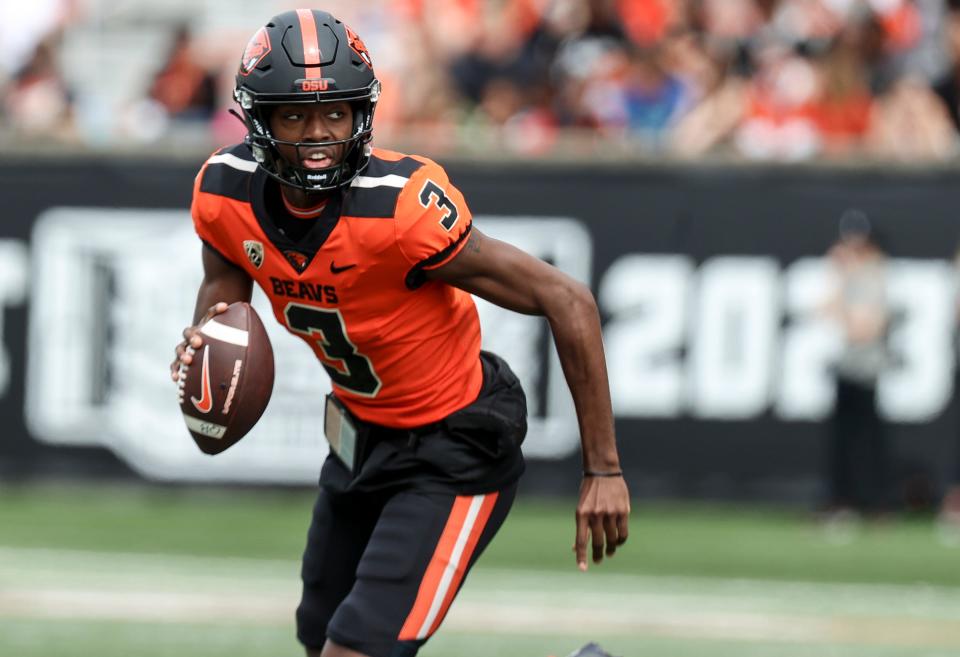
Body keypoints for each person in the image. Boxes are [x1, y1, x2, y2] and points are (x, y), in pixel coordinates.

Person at [169, 9, 630, 657]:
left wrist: (603, 467)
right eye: (295, 116)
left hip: (454, 444)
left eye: (335, 112)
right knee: (321, 637)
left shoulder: (399, 206)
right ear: (258, 119)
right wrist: (205, 344)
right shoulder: (224, 192)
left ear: (363, 113)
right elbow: (225, 290)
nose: (319, 133)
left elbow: (567, 298)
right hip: (359, 436)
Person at [822, 209, 891, 523]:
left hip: (864, 370)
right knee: (844, 442)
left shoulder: (873, 276)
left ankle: (872, 505)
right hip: (848, 368)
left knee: (865, 442)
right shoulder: (851, 278)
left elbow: (864, 329)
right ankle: (844, 501)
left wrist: (845, 282)